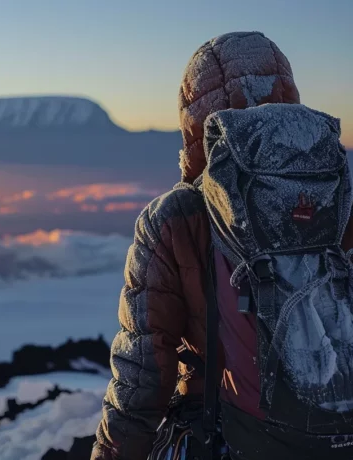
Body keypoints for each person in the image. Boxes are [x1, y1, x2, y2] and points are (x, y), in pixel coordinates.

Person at [90, 31, 353, 460]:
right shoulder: (337, 194)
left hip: (235, 438)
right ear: (288, 96)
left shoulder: (175, 217)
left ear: (194, 117)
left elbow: (142, 377)